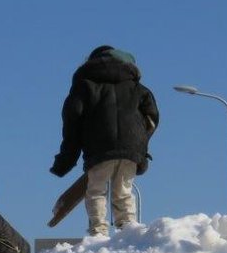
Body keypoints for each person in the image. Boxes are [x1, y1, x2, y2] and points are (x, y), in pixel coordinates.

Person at [50, 46, 159, 238]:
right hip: (130, 147)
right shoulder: (138, 89)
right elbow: (152, 118)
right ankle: (128, 228)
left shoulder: (84, 87)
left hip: (99, 146)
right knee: (124, 190)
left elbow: (72, 123)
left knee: (96, 190)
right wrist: (141, 145)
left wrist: (65, 160)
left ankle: (98, 231)